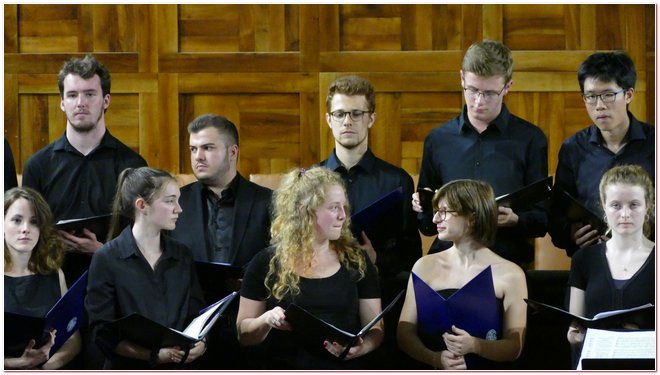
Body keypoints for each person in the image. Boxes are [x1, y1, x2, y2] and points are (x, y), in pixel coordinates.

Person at [412, 39, 548, 268]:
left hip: (507, 262)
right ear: (462, 79)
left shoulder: (531, 139)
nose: (478, 101)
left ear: (507, 87)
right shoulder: (438, 140)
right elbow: (426, 226)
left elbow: (542, 221)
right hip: (448, 263)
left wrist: (516, 220)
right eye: (473, 90)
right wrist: (422, 207)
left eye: (489, 93)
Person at [318, 75, 422, 368]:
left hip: (378, 298)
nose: (347, 121)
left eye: (356, 113)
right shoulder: (311, 181)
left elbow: (412, 253)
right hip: (324, 300)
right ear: (329, 119)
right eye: (340, 114)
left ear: (371, 118)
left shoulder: (396, 180)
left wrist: (377, 259)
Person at [237, 167, 383, 369]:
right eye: (333, 207)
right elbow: (243, 333)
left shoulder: (356, 260)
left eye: (344, 207)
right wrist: (266, 320)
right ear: (305, 210)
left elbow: (376, 328)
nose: (343, 215)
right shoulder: (266, 262)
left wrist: (362, 348)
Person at [21, 54, 147, 282]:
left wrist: (102, 251)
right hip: (50, 279)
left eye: (89, 94)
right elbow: (24, 234)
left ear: (106, 100)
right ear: (62, 102)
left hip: (116, 280)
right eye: (72, 95)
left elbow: (145, 239)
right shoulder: (38, 165)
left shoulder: (133, 165)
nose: (80, 102)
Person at [169, 113, 272, 369]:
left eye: (208, 148)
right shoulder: (173, 202)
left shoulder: (268, 201)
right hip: (188, 328)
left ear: (232, 151)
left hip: (249, 326)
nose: (198, 156)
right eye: (193, 149)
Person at [398, 179, 527, 370]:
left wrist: (475, 345)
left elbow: (514, 347)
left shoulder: (510, 274)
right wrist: (434, 359)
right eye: (436, 212)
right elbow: (404, 333)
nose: (435, 220)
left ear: (472, 217)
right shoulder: (424, 266)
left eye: (444, 212)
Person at [85, 167, 206, 369]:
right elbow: (102, 331)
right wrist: (154, 356)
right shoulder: (106, 258)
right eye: (169, 201)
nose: (179, 208)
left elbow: (197, 313)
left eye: (178, 200)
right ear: (142, 205)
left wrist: (201, 342)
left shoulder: (182, 254)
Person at [549, 51, 655, 256]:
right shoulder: (573, 149)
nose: (599, 106)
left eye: (608, 95)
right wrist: (571, 234)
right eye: (590, 96)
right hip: (593, 259)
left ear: (629, 95)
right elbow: (556, 217)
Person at [566, 165, 654, 365]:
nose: (625, 214)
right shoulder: (583, 259)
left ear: (648, 206)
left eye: (634, 205)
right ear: (604, 206)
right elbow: (573, 330)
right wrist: (575, 337)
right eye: (616, 205)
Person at [4, 187, 81, 369]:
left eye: (34, 222)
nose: (25, 229)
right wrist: (15, 364)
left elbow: (73, 340)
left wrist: (45, 368)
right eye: (16, 220)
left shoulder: (54, 273)